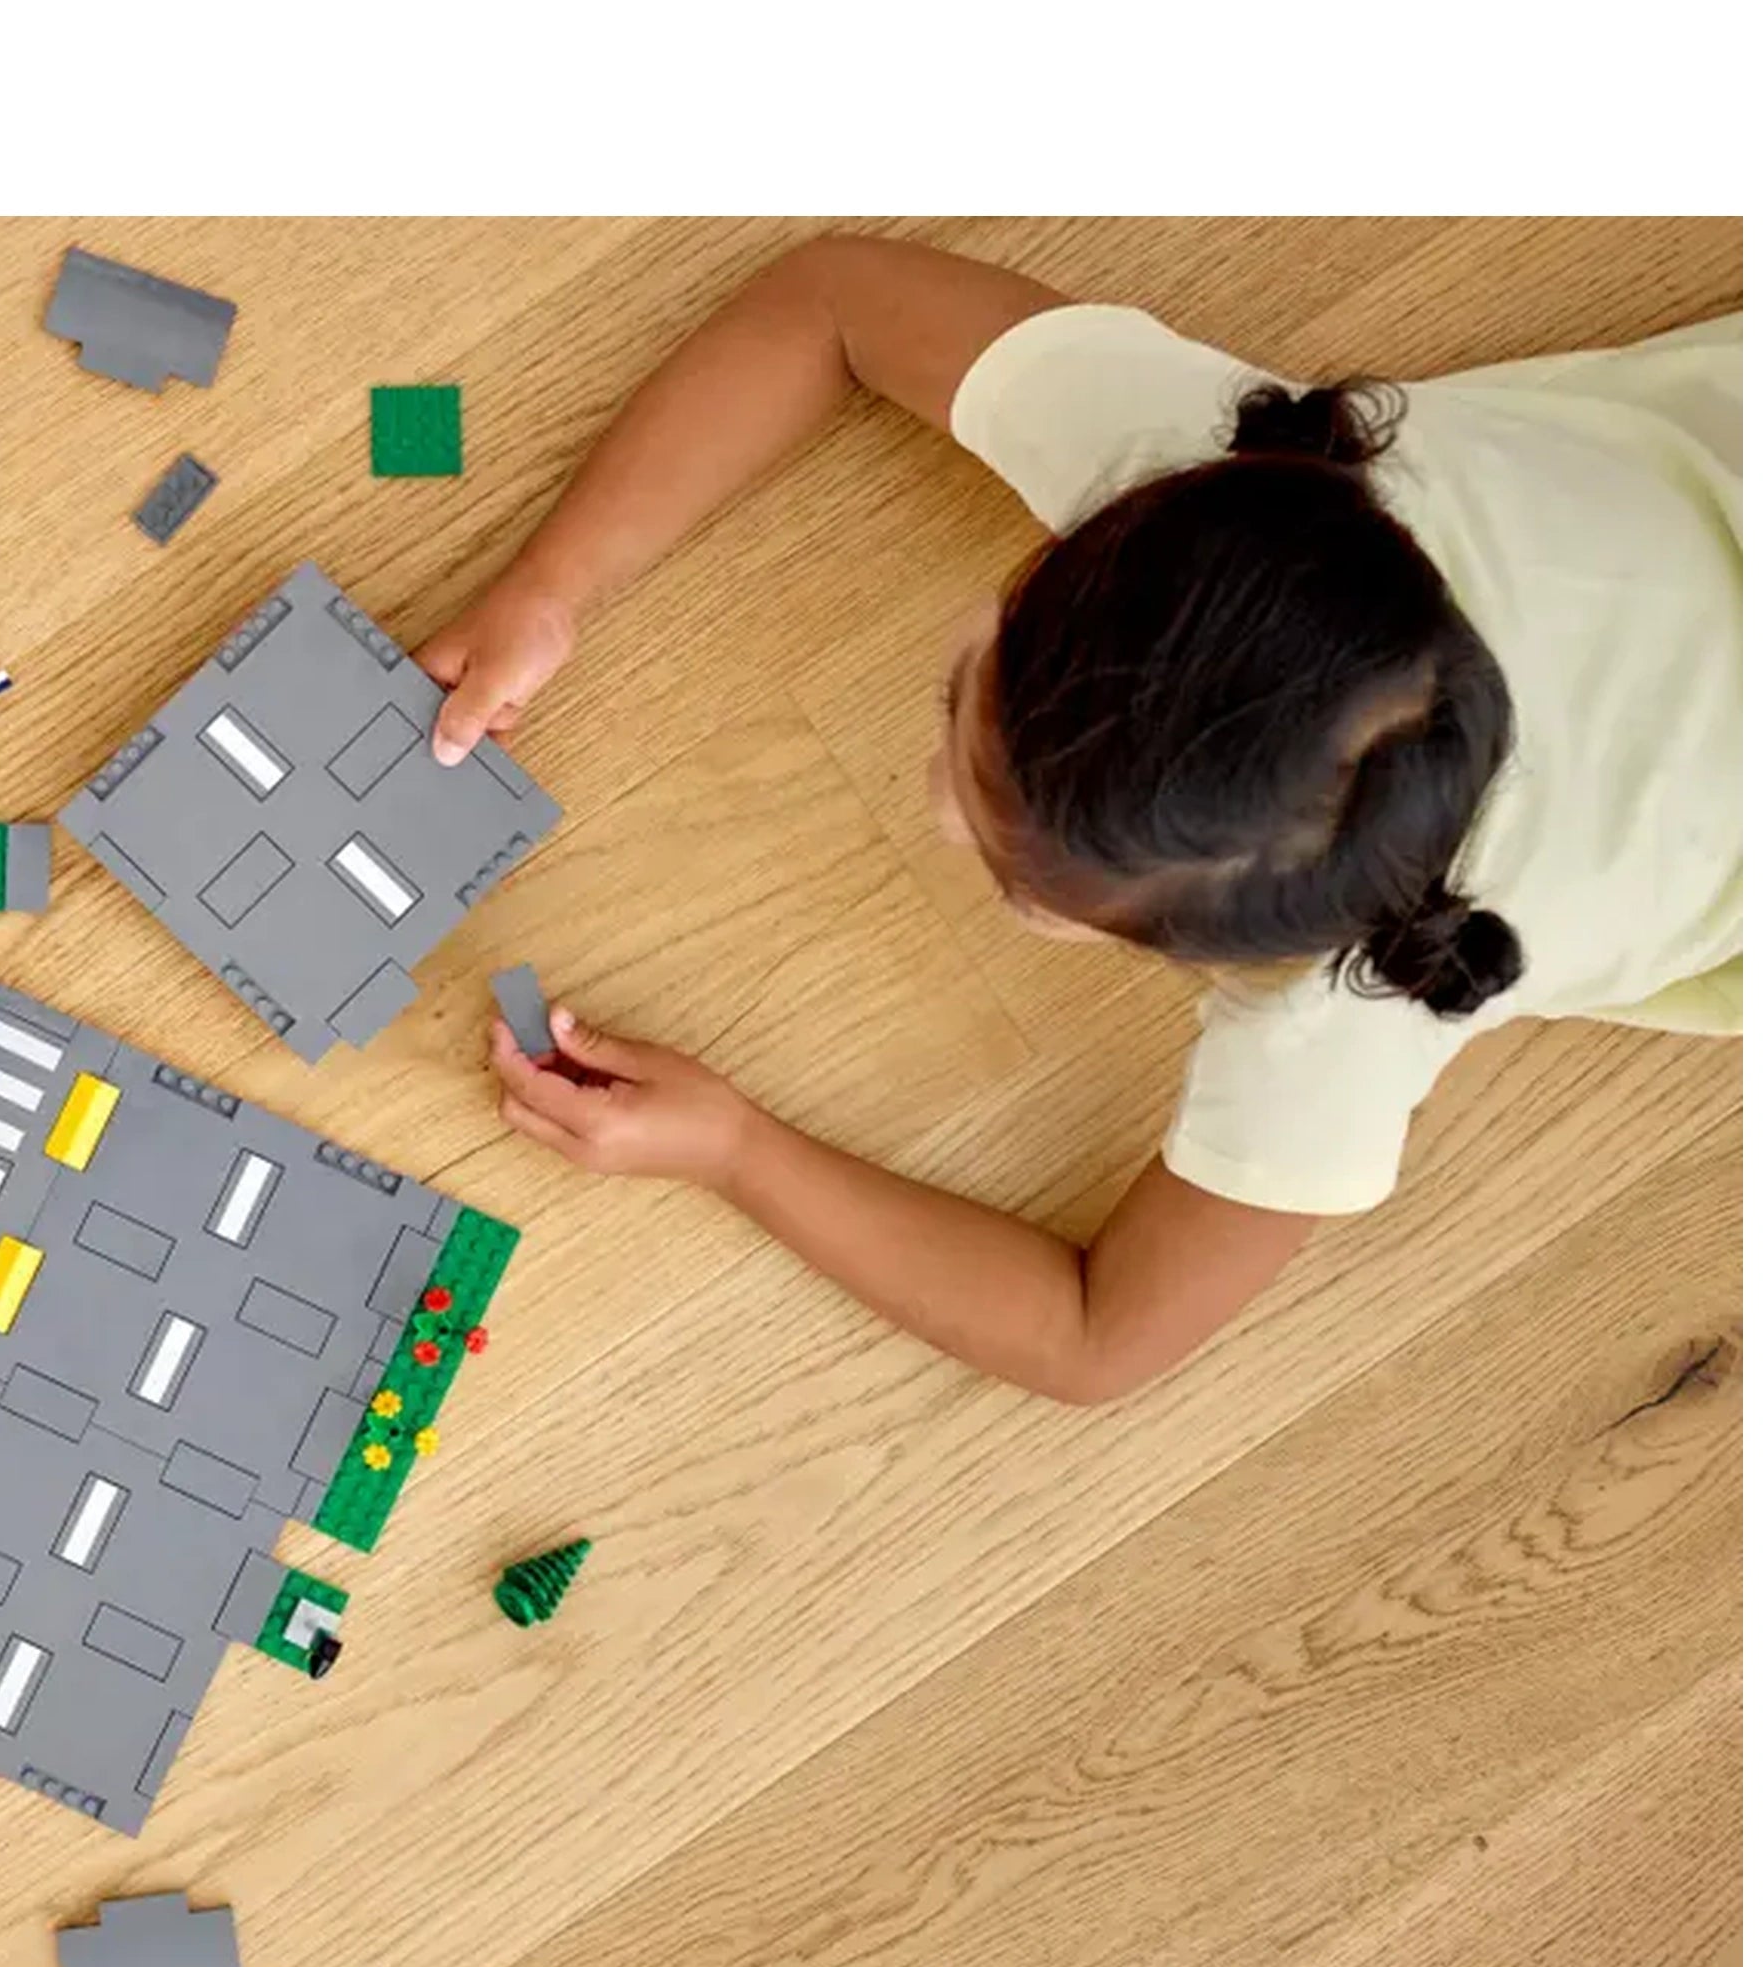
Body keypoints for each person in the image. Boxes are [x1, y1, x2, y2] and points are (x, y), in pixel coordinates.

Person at [419, 234, 1742, 1403]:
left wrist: (738, 1150)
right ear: (1106, 525)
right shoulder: (1202, 490)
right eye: (968, 696)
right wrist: (553, 582)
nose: (937, 807)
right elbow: (829, 297)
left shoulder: (1341, 1017)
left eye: (1018, 882)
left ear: (1230, 959)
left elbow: (1097, 1337)